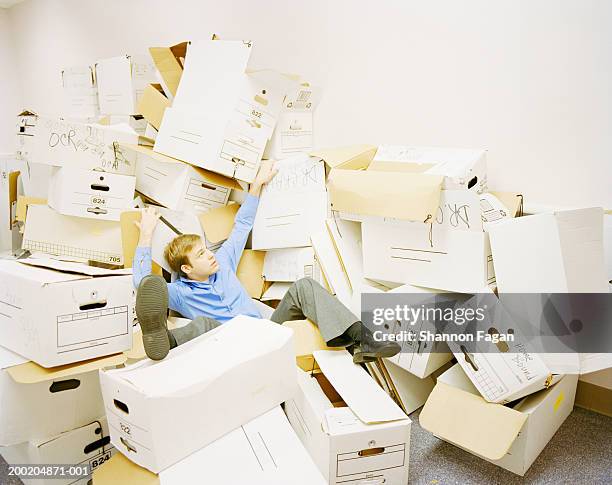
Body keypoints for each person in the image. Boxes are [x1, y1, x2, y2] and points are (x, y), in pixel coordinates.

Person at [132, 159, 400, 362]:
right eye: (201, 254)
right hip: (230, 346)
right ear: (187, 268)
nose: (210, 254)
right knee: (204, 324)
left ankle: (362, 340)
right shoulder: (179, 293)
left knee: (304, 286)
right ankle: (165, 341)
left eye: (207, 248)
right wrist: (146, 235)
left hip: (264, 333)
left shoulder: (223, 261)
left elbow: (242, 226)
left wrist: (257, 185)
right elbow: (144, 286)